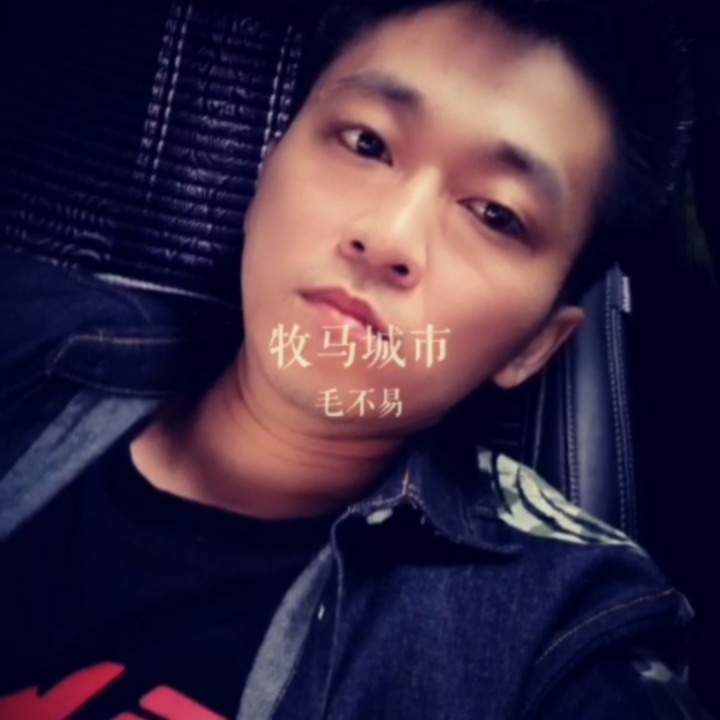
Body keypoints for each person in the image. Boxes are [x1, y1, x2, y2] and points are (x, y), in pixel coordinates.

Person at [0, 0, 714, 718]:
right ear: (267, 167)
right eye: (368, 144)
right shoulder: (28, 328)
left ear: (534, 346)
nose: (390, 237)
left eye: (495, 214)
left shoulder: (559, 630)